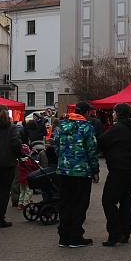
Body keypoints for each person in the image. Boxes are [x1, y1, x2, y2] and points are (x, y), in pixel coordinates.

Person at [54, 101, 99, 248]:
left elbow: (55, 145)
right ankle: (75, 236)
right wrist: (95, 170)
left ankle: (64, 236)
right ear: (86, 113)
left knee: (65, 203)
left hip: (63, 171)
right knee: (79, 204)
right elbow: (92, 150)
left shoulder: (61, 126)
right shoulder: (87, 127)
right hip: (81, 172)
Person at [97, 103, 131, 247]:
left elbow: (101, 141)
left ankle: (114, 234)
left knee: (108, 201)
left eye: (114, 112)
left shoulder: (118, 128)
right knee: (126, 201)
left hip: (118, 170)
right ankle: (125, 233)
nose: (112, 114)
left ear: (119, 113)